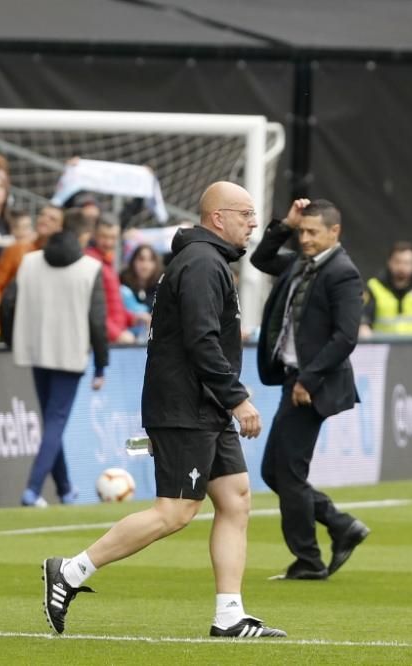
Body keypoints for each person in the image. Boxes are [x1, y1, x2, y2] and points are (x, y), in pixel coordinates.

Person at [40, 182, 285, 639]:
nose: (253, 223)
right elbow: (200, 340)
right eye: (246, 214)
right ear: (218, 218)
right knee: (174, 513)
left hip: (204, 405)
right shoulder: (200, 264)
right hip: (185, 408)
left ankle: (229, 615)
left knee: (235, 501)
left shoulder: (207, 262)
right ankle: (69, 571)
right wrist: (237, 397)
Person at [251, 198, 370, 580]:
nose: (304, 238)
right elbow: (260, 259)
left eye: (311, 232)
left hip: (311, 385)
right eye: (302, 231)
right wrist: (284, 224)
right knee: (275, 471)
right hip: (294, 380)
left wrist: (308, 380)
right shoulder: (300, 263)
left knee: (286, 473)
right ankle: (340, 525)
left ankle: (309, 560)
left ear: (335, 232)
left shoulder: (343, 273)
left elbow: (345, 337)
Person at [12, 208, 108, 507]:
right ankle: (33, 488)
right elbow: (97, 321)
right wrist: (101, 364)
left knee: (52, 422)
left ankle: (65, 489)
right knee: (55, 422)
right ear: (84, 236)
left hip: (34, 348)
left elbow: (8, 302)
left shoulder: (29, 261)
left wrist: (10, 337)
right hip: (70, 352)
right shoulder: (91, 268)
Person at [361, 241, 412, 338]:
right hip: (386, 347)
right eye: (397, 262)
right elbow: (364, 315)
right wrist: (363, 327)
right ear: (389, 262)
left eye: (407, 263)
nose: (402, 267)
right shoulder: (374, 286)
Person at [0, 204, 63, 303]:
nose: (44, 220)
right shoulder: (17, 248)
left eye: (52, 219)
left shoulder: (62, 257)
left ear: (60, 228)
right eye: (42, 215)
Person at [84, 216, 137, 344]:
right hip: (102, 341)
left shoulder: (107, 262)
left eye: (113, 237)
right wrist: (117, 334)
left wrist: (133, 318)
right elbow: (91, 308)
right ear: (94, 235)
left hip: (112, 339)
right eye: (104, 236)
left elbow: (113, 304)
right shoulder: (90, 262)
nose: (108, 242)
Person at [119, 244, 162, 340]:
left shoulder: (162, 288)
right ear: (133, 262)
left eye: (150, 260)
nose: (145, 265)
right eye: (141, 259)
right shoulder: (122, 286)